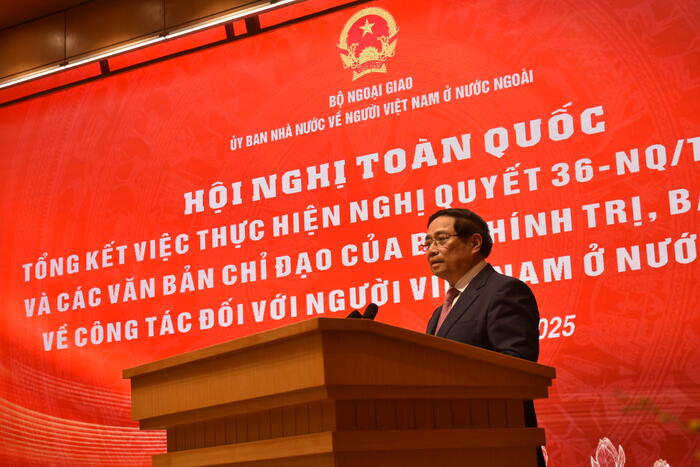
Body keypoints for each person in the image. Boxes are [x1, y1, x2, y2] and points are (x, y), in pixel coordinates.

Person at [422, 208, 546, 467]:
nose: (431, 250)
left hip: (499, 446)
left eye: (441, 239)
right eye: (428, 242)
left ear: (475, 243)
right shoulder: (438, 314)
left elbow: (517, 366)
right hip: (452, 446)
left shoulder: (504, 291)